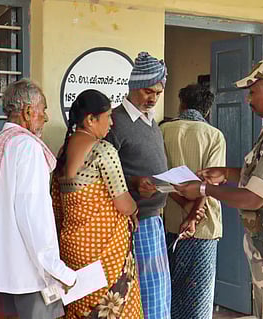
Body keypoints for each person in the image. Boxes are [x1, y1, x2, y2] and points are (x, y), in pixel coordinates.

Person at [176, 58, 263, 319]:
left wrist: (203, 190)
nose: (248, 100)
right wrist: (228, 173)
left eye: (253, 92)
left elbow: (253, 197)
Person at [0, 79, 77, 319]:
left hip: (7, 270)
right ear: (29, 112)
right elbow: (33, 217)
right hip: (32, 273)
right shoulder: (27, 148)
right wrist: (58, 270)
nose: (46, 117)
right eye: (43, 110)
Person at [52, 89, 142, 318]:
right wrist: (135, 207)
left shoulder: (63, 152)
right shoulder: (103, 150)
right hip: (105, 254)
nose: (111, 123)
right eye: (108, 117)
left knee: (79, 307)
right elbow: (122, 204)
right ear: (90, 120)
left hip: (73, 250)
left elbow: (57, 205)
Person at [105, 51, 171, 319]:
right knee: (146, 293)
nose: (153, 98)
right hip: (135, 221)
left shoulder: (150, 121)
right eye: (147, 91)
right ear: (132, 86)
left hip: (154, 219)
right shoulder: (115, 122)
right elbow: (105, 170)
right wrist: (133, 182)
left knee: (159, 291)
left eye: (158, 92)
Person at [159, 83, 226, 319]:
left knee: (171, 290)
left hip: (170, 223)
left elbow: (161, 177)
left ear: (182, 104)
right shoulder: (214, 135)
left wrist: (185, 206)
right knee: (199, 296)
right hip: (203, 226)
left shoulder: (164, 130)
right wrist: (194, 214)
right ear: (207, 110)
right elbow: (211, 183)